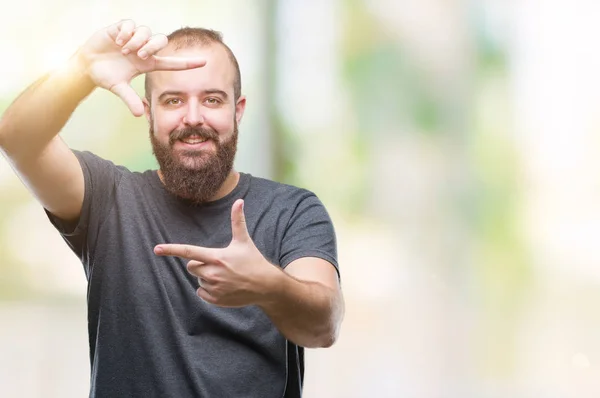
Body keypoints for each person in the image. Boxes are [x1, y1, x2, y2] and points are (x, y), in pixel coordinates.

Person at [0, 19, 344, 398]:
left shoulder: (291, 210)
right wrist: (82, 69)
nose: (193, 118)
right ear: (149, 112)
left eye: (212, 99)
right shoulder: (107, 200)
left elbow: (324, 325)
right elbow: (17, 138)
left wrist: (266, 285)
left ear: (238, 110)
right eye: (173, 100)